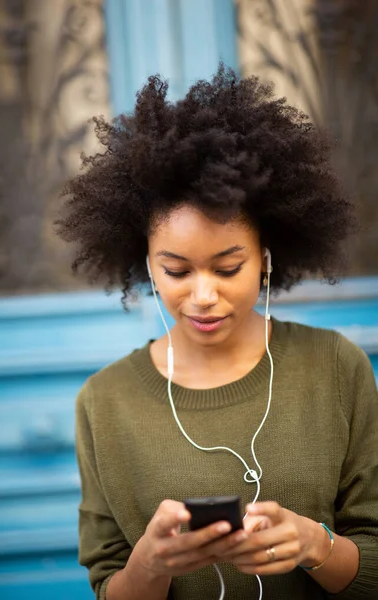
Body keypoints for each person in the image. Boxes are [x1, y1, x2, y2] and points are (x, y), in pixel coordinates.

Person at [56, 65, 378, 600]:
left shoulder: (336, 367)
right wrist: (151, 566)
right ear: (147, 265)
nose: (203, 296)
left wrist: (316, 545)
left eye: (228, 268)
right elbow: (108, 583)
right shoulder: (104, 401)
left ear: (266, 258)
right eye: (177, 271)